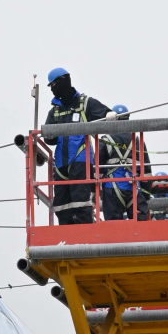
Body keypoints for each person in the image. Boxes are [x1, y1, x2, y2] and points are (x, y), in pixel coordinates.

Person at [45, 68, 111, 225]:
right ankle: (66, 236)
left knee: (81, 202)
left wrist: (110, 115)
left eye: (55, 83)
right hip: (61, 163)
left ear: (65, 80)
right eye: (51, 85)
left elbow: (106, 116)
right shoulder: (54, 112)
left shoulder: (85, 103)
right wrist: (48, 135)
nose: (53, 87)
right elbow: (49, 138)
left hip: (81, 161)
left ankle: (84, 235)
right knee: (61, 204)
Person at [101, 103, 152, 221]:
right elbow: (147, 171)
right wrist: (145, 195)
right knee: (140, 230)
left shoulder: (105, 140)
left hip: (112, 190)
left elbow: (96, 170)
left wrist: (93, 192)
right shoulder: (137, 141)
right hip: (134, 190)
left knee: (113, 231)